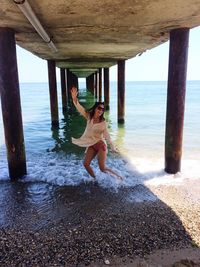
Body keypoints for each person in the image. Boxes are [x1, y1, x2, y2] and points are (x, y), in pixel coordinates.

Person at [71, 86, 123, 180]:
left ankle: (119, 178)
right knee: (86, 164)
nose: (100, 110)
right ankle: (95, 179)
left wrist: (112, 147)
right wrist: (74, 98)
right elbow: (80, 108)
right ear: (95, 108)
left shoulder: (103, 123)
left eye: (102, 109)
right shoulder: (89, 117)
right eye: (99, 108)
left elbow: (107, 136)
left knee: (102, 168)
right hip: (91, 144)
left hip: (100, 145)